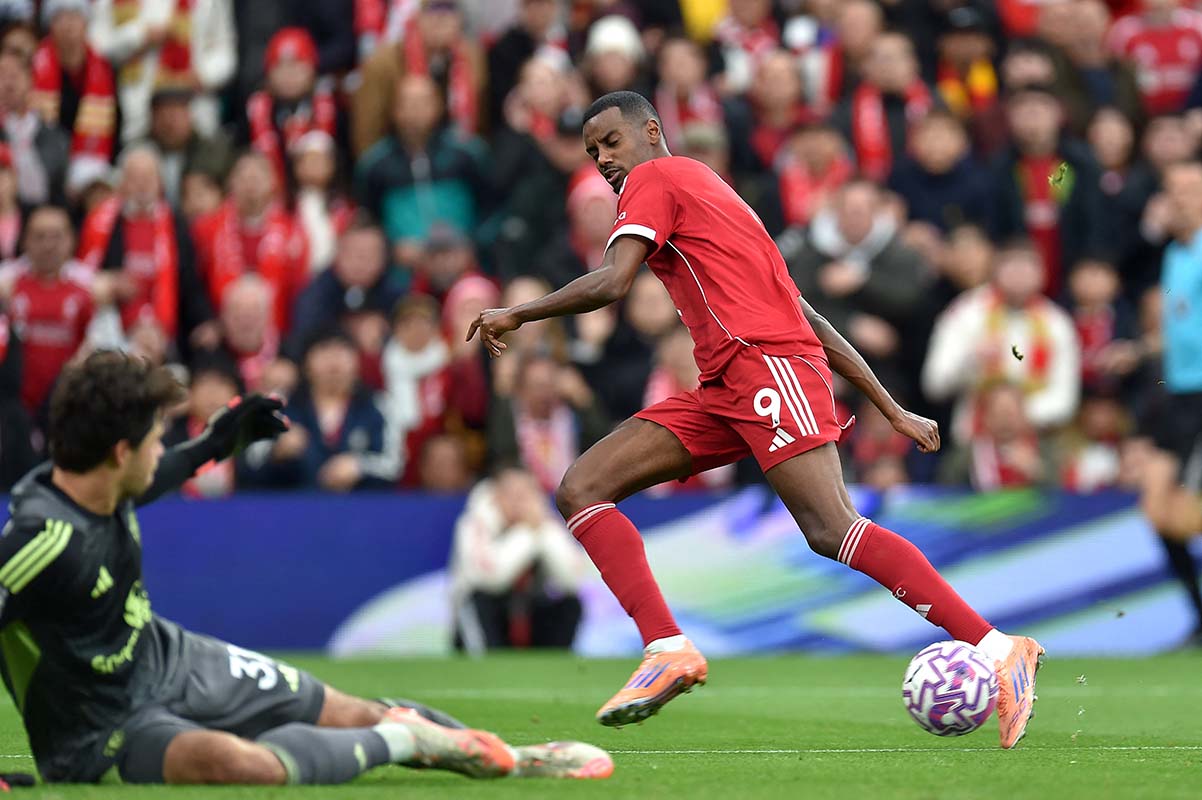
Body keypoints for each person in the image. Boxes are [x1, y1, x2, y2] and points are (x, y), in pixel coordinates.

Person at [466, 91, 1044, 747]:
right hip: (726, 383)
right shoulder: (712, 189)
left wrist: (517, 312)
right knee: (582, 487)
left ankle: (998, 650)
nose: (602, 159)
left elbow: (612, 282)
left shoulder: (656, 179)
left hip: (766, 369)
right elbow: (808, 312)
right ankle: (667, 649)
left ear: (651, 131)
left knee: (832, 529)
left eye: (611, 142)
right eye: (593, 150)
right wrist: (890, 405)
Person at [0, 349, 614, 784]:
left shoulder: (101, 482)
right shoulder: (41, 540)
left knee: (349, 709)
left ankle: (507, 754)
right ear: (118, 452)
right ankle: (402, 742)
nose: (161, 448)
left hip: (168, 658)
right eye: (154, 438)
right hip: (98, 730)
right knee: (241, 766)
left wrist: (216, 443)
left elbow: (149, 478)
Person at [1134, 160, 1202, 644]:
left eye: (1187, 189)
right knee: (1155, 511)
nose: (1175, 198)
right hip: (1177, 395)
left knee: (1183, 514)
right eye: (1170, 189)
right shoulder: (1176, 254)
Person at [450, 466, 586, 653]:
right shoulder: (475, 523)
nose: (519, 503)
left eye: (526, 494)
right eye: (511, 495)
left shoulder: (545, 525)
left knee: (570, 604)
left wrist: (543, 531)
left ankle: (556, 665)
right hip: (488, 619)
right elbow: (489, 578)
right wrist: (526, 533)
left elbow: (572, 580)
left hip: (529, 614)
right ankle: (484, 663)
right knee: (477, 601)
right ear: (496, 496)